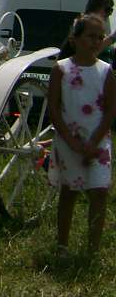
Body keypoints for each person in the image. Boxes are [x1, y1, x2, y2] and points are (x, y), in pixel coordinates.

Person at [48, 14, 116, 259]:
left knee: (99, 192)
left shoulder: (105, 71)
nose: (96, 41)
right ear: (75, 39)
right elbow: (54, 108)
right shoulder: (61, 69)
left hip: (98, 143)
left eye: (100, 37)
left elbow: (110, 109)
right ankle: (62, 245)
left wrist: (94, 142)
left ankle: (92, 249)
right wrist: (72, 141)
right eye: (90, 36)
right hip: (69, 142)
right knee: (70, 192)